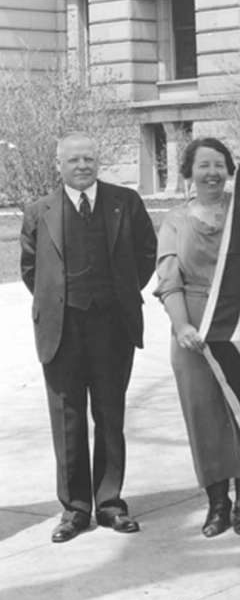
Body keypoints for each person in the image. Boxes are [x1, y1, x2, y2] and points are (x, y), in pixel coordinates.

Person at [20, 133, 157, 542]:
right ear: (58, 164)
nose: (83, 165)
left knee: (110, 416)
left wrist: (119, 295)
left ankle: (111, 504)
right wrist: (57, 302)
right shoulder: (38, 211)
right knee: (67, 420)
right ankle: (75, 508)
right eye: (74, 159)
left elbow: (145, 255)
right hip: (61, 329)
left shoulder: (125, 203)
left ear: (99, 163)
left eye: (90, 159)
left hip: (112, 327)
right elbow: (31, 269)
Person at [155, 137, 240, 537]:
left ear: (229, 170)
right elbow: (169, 280)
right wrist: (182, 326)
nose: (212, 173)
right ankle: (218, 503)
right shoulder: (175, 221)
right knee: (204, 416)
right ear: (189, 172)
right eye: (204, 165)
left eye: (219, 165)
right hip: (194, 327)